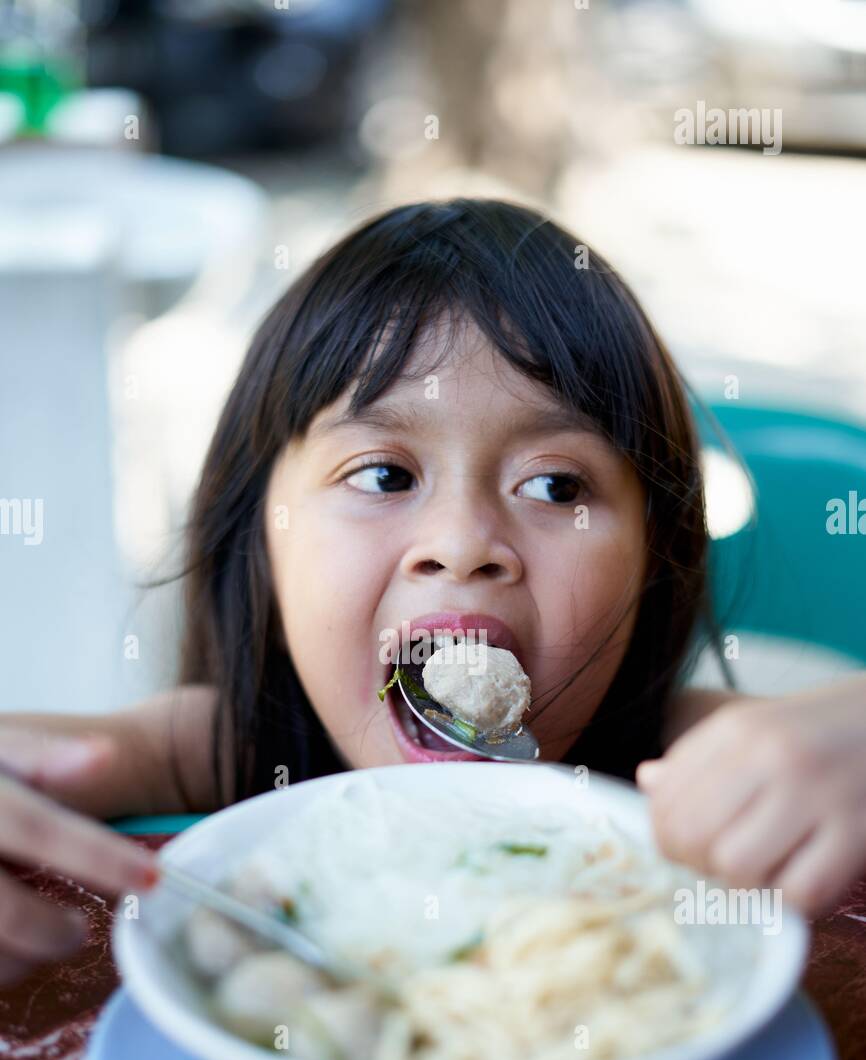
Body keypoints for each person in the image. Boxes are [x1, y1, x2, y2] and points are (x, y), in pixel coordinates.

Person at [2, 198, 864, 985]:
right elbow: (57, 765)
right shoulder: (230, 745)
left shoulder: (681, 774)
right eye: (382, 473)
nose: (460, 545)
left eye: (556, 487)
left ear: (653, 559)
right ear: (263, 533)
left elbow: (807, 766)